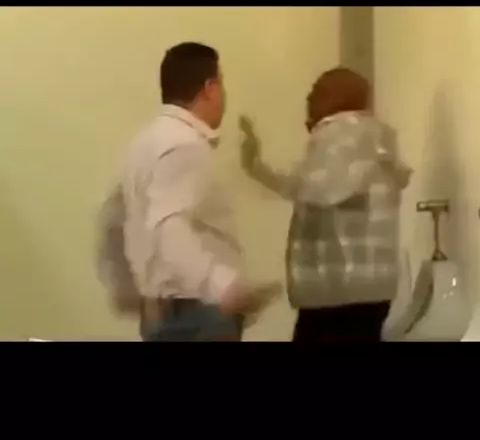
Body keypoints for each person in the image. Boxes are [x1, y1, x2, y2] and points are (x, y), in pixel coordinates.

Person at [117, 42, 280, 341]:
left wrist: (128, 286)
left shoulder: (144, 141)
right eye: (222, 85)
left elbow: (119, 220)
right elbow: (169, 226)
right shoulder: (186, 145)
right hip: (200, 313)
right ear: (210, 88)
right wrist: (222, 286)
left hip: (159, 310)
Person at [240, 67, 412, 343]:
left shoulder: (344, 133)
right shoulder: (371, 139)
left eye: (317, 91)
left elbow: (317, 186)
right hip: (369, 286)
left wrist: (259, 165)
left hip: (340, 288)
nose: (309, 98)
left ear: (340, 97)